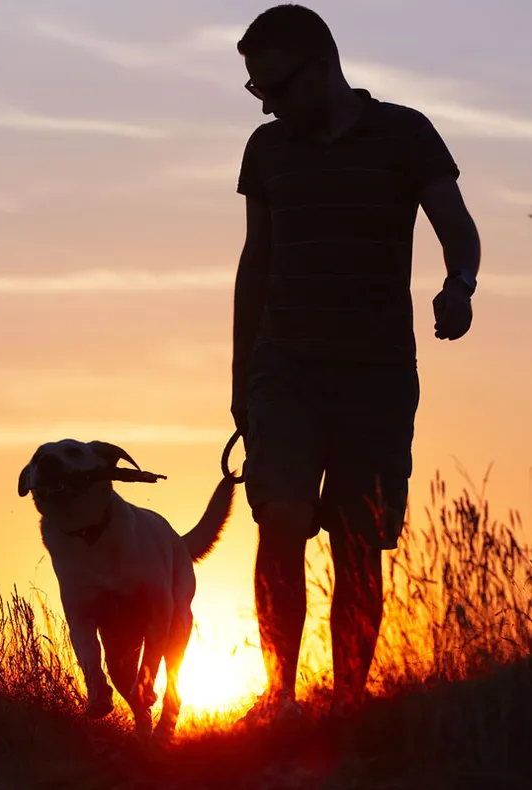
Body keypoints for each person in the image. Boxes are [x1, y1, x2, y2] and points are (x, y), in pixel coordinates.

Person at [230, 4, 480, 726]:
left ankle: (347, 706)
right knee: (279, 518)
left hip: (375, 373)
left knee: (358, 538)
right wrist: (241, 379)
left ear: (320, 67)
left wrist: (458, 285)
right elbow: (257, 262)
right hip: (283, 370)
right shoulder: (267, 149)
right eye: (256, 91)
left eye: (272, 85)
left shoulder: (405, 134)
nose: (266, 102)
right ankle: (278, 699)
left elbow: (458, 230)